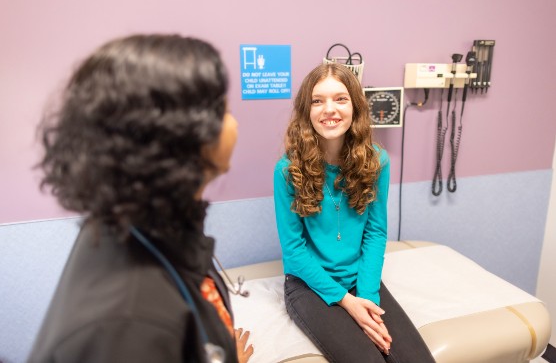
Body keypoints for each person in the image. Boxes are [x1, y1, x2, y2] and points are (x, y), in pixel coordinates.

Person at [28, 34, 253, 363]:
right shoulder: (131, 327)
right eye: (225, 110)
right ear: (182, 138)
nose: (234, 122)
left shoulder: (132, 224)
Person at [273, 63, 435, 363]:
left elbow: (375, 233)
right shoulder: (287, 171)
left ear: (355, 106)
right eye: (318, 100)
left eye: (340, 98)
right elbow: (294, 252)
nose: (329, 109)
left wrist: (368, 300)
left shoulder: (377, 162)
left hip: (359, 279)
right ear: (306, 110)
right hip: (309, 285)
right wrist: (350, 304)